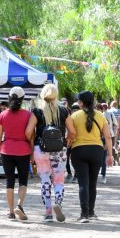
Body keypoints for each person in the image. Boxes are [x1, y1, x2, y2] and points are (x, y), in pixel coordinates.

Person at [66, 91, 112, 223]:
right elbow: (108, 136)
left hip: (78, 151)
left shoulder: (74, 116)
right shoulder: (101, 116)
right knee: (92, 183)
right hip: (96, 151)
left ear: (81, 103)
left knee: (83, 183)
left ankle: (84, 214)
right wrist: (110, 154)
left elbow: (70, 135)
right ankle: (91, 212)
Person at [25, 84, 70, 222]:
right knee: (58, 180)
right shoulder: (63, 110)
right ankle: (58, 203)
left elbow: (28, 132)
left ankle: (48, 212)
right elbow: (73, 131)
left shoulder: (37, 111)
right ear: (56, 95)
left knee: (45, 180)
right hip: (59, 150)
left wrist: (33, 144)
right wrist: (67, 142)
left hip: (41, 149)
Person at [0, 87, 32, 221]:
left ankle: (11, 212)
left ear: (9, 98)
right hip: (24, 150)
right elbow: (30, 135)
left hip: (6, 150)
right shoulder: (28, 115)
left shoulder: (2, 115)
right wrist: (32, 152)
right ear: (22, 100)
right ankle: (19, 206)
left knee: (9, 182)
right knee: (23, 181)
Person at [100, 102, 118, 183]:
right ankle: (103, 175)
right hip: (108, 135)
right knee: (104, 155)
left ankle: (101, 174)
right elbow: (116, 124)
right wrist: (113, 131)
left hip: (100, 137)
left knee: (102, 156)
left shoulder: (98, 115)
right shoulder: (110, 114)